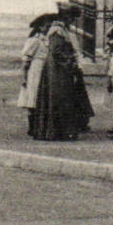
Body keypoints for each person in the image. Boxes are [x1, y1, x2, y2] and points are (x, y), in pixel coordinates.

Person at [28, 10, 93, 141]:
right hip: (57, 71)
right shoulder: (57, 31)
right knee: (59, 99)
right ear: (65, 17)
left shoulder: (59, 30)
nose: (72, 21)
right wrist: (70, 61)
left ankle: (59, 131)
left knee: (61, 99)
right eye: (70, 18)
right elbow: (57, 51)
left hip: (58, 69)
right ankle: (57, 132)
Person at [17, 14, 52, 135]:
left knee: (41, 97)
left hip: (45, 69)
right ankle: (32, 127)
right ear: (40, 27)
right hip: (35, 70)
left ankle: (39, 125)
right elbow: (26, 59)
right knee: (33, 96)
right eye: (46, 26)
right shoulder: (34, 40)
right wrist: (25, 76)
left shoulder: (48, 40)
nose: (48, 28)